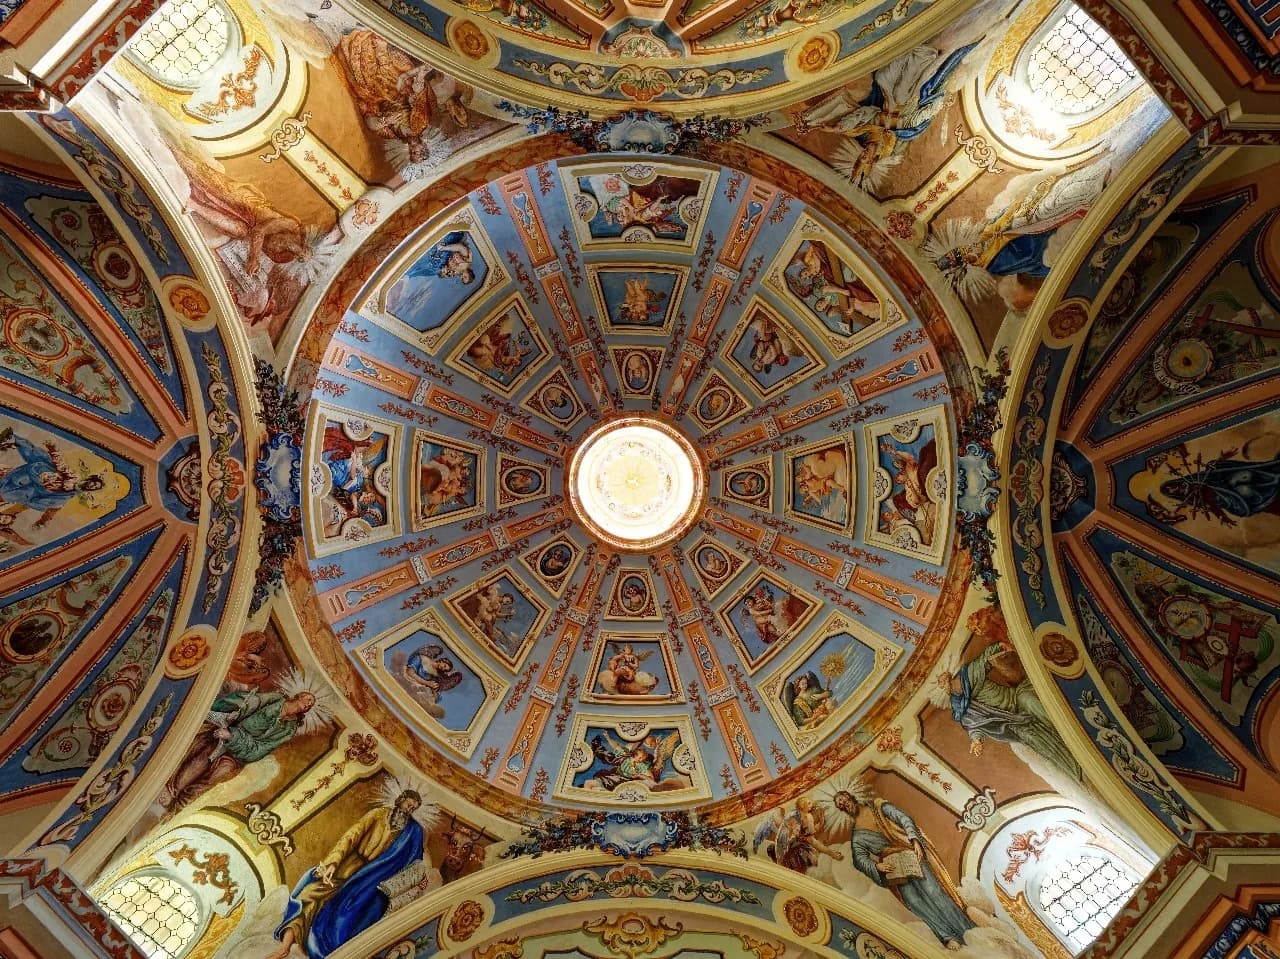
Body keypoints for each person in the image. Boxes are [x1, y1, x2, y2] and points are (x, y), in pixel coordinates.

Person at [271, 790, 427, 959]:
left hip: (374, 882)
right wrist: (333, 862)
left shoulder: (413, 832)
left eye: (413, 808)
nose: (409, 810)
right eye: (408, 805)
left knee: (362, 913)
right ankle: (285, 947)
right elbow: (351, 836)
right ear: (400, 801)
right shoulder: (378, 814)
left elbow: (415, 863)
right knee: (309, 893)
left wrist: (417, 881)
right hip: (348, 868)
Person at [943, 606, 1083, 781]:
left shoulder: (970, 674)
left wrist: (998, 647)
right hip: (1012, 718)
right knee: (1031, 736)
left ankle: (1071, 730)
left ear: (951, 676)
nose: (946, 685)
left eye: (946, 681)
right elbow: (974, 726)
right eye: (945, 687)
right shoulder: (962, 708)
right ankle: (1070, 761)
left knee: (1029, 700)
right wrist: (977, 741)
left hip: (1016, 696)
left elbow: (984, 658)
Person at [833, 789, 973, 951]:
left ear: (851, 797)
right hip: (893, 866)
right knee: (915, 902)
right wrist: (876, 866)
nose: (845, 805)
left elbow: (902, 818)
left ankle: (964, 929)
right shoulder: (857, 836)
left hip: (908, 851)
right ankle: (947, 936)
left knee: (933, 891)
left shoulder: (877, 807)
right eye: (841, 805)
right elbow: (859, 859)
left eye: (845, 800)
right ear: (842, 810)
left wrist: (914, 839)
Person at [158, 688, 317, 811]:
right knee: (203, 756)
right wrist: (226, 719)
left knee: (219, 774)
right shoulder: (275, 699)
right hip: (227, 729)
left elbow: (260, 749)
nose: (309, 704)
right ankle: (173, 790)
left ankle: (181, 804)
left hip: (239, 752)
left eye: (311, 704)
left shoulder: (288, 730)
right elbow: (246, 703)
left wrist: (233, 737)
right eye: (308, 699)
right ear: (299, 696)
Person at [0, 428, 106, 529]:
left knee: (12, 493)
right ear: (90, 480)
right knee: (38, 460)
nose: (92, 486)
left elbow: (57, 503)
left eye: (94, 487)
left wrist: (43, 521)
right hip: (42, 474)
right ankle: (14, 440)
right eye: (94, 483)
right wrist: (53, 450)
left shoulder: (72, 494)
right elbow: (62, 467)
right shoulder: (75, 477)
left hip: (41, 488)